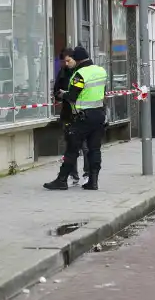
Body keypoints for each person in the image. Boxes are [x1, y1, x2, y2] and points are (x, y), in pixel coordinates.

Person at [44, 46, 107, 191]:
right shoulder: (101, 71)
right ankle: (93, 181)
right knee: (94, 149)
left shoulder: (80, 74)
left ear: (77, 60)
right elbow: (101, 92)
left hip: (83, 117)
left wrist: (62, 94)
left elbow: (72, 96)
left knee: (72, 149)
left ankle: (61, 180)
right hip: (99, 115)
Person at [52, 48, 89, 185]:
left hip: (83, 114)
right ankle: (73, 174)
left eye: (69, 60)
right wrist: (60, 94)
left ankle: (87, 173)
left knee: (85, 147)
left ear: (75, 59)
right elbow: (56, 90)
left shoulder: (82, 73)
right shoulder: (63, 72)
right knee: (71, 146)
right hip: (68, 113)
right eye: (64, 61)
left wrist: (68, 94)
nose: (66, 63)